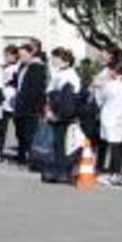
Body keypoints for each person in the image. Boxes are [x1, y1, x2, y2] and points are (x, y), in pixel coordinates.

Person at [92, 51, 122, 186]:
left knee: (114, 146)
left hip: (110, 118)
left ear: (113, 71)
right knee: (120, 146)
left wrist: (98, 85)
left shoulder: (110, 85)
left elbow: (99, 99)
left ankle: (113, 174)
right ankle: (118, 173)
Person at [42, 47, 82, 183]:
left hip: (64, 115)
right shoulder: (58, 74)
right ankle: (58, 170)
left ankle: (64, 171)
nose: (52, 61)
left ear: (64, 60)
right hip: (55, 112)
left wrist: (58, 114)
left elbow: (68, 99)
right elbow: (50, 94)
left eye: (55, 58)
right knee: (57, 144)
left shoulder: (70, 75)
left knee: (65, 144)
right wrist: (48, 110)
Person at [12, 41, 47, 164]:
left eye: (23, 55)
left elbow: (37, 90)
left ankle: (32, 158)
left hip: (31, 107)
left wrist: (38, 107)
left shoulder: (37, 68)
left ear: (31, 54)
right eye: (19, 55)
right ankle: (21, 156)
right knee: (20, 132)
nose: (21, 57)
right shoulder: (22, 66)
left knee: (29, 134)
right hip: (19, 104)